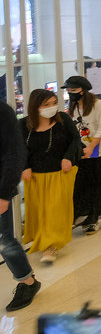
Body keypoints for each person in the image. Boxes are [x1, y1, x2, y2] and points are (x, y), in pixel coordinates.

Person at [19, 89, 81, 264]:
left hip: (60, 173)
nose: (52, 108)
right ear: (35, 106)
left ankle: (51, 245)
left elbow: (76, 139)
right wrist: (24, 167)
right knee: (40, 211)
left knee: (55, 210)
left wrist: (68, 157)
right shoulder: (24, 125)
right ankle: (42, 239)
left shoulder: (63, 120)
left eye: (54, 103)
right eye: (46, 104)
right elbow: (19, 148)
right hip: (35, 176)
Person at [2, 99, 42, 311]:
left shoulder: (3, 113)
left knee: (4, 240)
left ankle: (27, 281)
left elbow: (14, 154)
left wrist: (4, 194)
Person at [64, 76, 101, 234]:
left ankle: (93, 218)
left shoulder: (99, 105)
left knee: (98, 184)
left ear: (83, 90)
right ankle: (81, 215)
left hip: (100, 151)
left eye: (74, 90)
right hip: (82, 152)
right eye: (69, 91)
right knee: (82, 184)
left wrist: (92, 147)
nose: (71, 94)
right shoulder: (73, 106)